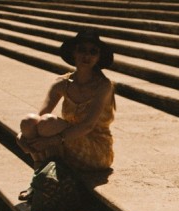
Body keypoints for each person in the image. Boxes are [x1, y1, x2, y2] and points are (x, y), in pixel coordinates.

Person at [17, 29, 116, 200]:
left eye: (93, 51)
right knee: (29, 121)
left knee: (48, 123)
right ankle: (39, 178)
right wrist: (21, 136)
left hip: (96, 149)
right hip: (69, 140)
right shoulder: (62, 83)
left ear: (99, 57)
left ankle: (40, 181)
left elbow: (88, 125)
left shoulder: (104, 86)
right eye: (82, 49)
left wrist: (52, 140)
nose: (87, 55)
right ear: (73, 52)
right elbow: (39, 118)